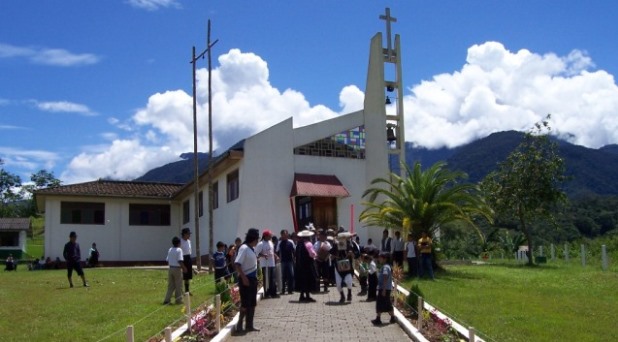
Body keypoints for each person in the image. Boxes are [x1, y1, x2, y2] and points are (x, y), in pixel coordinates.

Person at [234, 228, 261, 335]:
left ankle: (249, 325)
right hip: (245, 279)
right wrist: (244, 278)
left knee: (252, 303)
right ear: (253, 239)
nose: (257, 241)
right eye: (257, 239)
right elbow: (237, 264)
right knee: (245, 303)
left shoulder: (251, 249)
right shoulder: (244, 248)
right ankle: (240, 325)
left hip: (252, 279)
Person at [371, 252, 396, 325]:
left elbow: (385, 277)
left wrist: (384, 289)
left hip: (384, 288)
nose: (379, 259)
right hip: (384, 288)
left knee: (382, 303)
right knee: (386, 303)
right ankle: (391, 317)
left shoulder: (385, 267)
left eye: (380, 257)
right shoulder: (386, 266)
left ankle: (379, 319)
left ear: (385, 259)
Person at [331, 232, 356, 303]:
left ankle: (349, 293)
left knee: (349, 281)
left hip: (347, 268)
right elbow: (331, 256)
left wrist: (351, 254)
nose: (342, 239)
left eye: (344, 238)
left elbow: (354, 256)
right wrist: (335, 256)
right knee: (338, 283)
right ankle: (342, 296)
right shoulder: (335, 245)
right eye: (341, 238)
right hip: (338, 267)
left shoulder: (350, 245)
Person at [294, 229, 318, 302]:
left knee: (303, 280)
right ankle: (307, 296)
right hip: (308, 265)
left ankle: (302, 296)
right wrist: (316, 255)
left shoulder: (299, 244)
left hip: (300, 265)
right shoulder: (308, 244)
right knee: (308, 280)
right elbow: (312, 254)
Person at [255, 229, 278, 298]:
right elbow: (256, 253)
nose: (271, 236)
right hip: (265, 264)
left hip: (272, 263)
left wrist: (276, 256)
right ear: (265, 236)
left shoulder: (270, 243)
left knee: (272, 278)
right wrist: (263, 255)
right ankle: (267, 293)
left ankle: (273, 292)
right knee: (266, 279)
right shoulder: (261, 244)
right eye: (269, 235)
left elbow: (272, 252)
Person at [163, 236, 187, 305]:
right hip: (177, 268)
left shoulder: (170, 249)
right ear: (179, 243)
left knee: (171, 285)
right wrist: (184, 268)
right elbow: (180, 261)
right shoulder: (179, 250)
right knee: (178, 285)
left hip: (170, 268)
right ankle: (178, 300)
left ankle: (167, 299)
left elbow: (167, 260)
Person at [276, 229, 296, 295]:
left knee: (291, 275)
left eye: (286, 234)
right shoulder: (279, 242)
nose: (285, 235)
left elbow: (294, 251)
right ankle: (283, 290)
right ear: (281, 235)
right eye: (283, 234)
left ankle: (291, 290)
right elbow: (277, 251)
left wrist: (295, 258)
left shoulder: (291, 242)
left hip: (290, 261)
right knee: (283, 276)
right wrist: (278, 257)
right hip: (283, 261)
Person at [180, 228, 193, 295]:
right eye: (188, 234)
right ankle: (180, 290)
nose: (189, 235)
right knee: (182, 275)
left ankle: (187, 290)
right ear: (184, 234)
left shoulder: (188, 241)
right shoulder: (180, 241)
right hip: (182, 258)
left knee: (188, 276)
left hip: (188, 258)